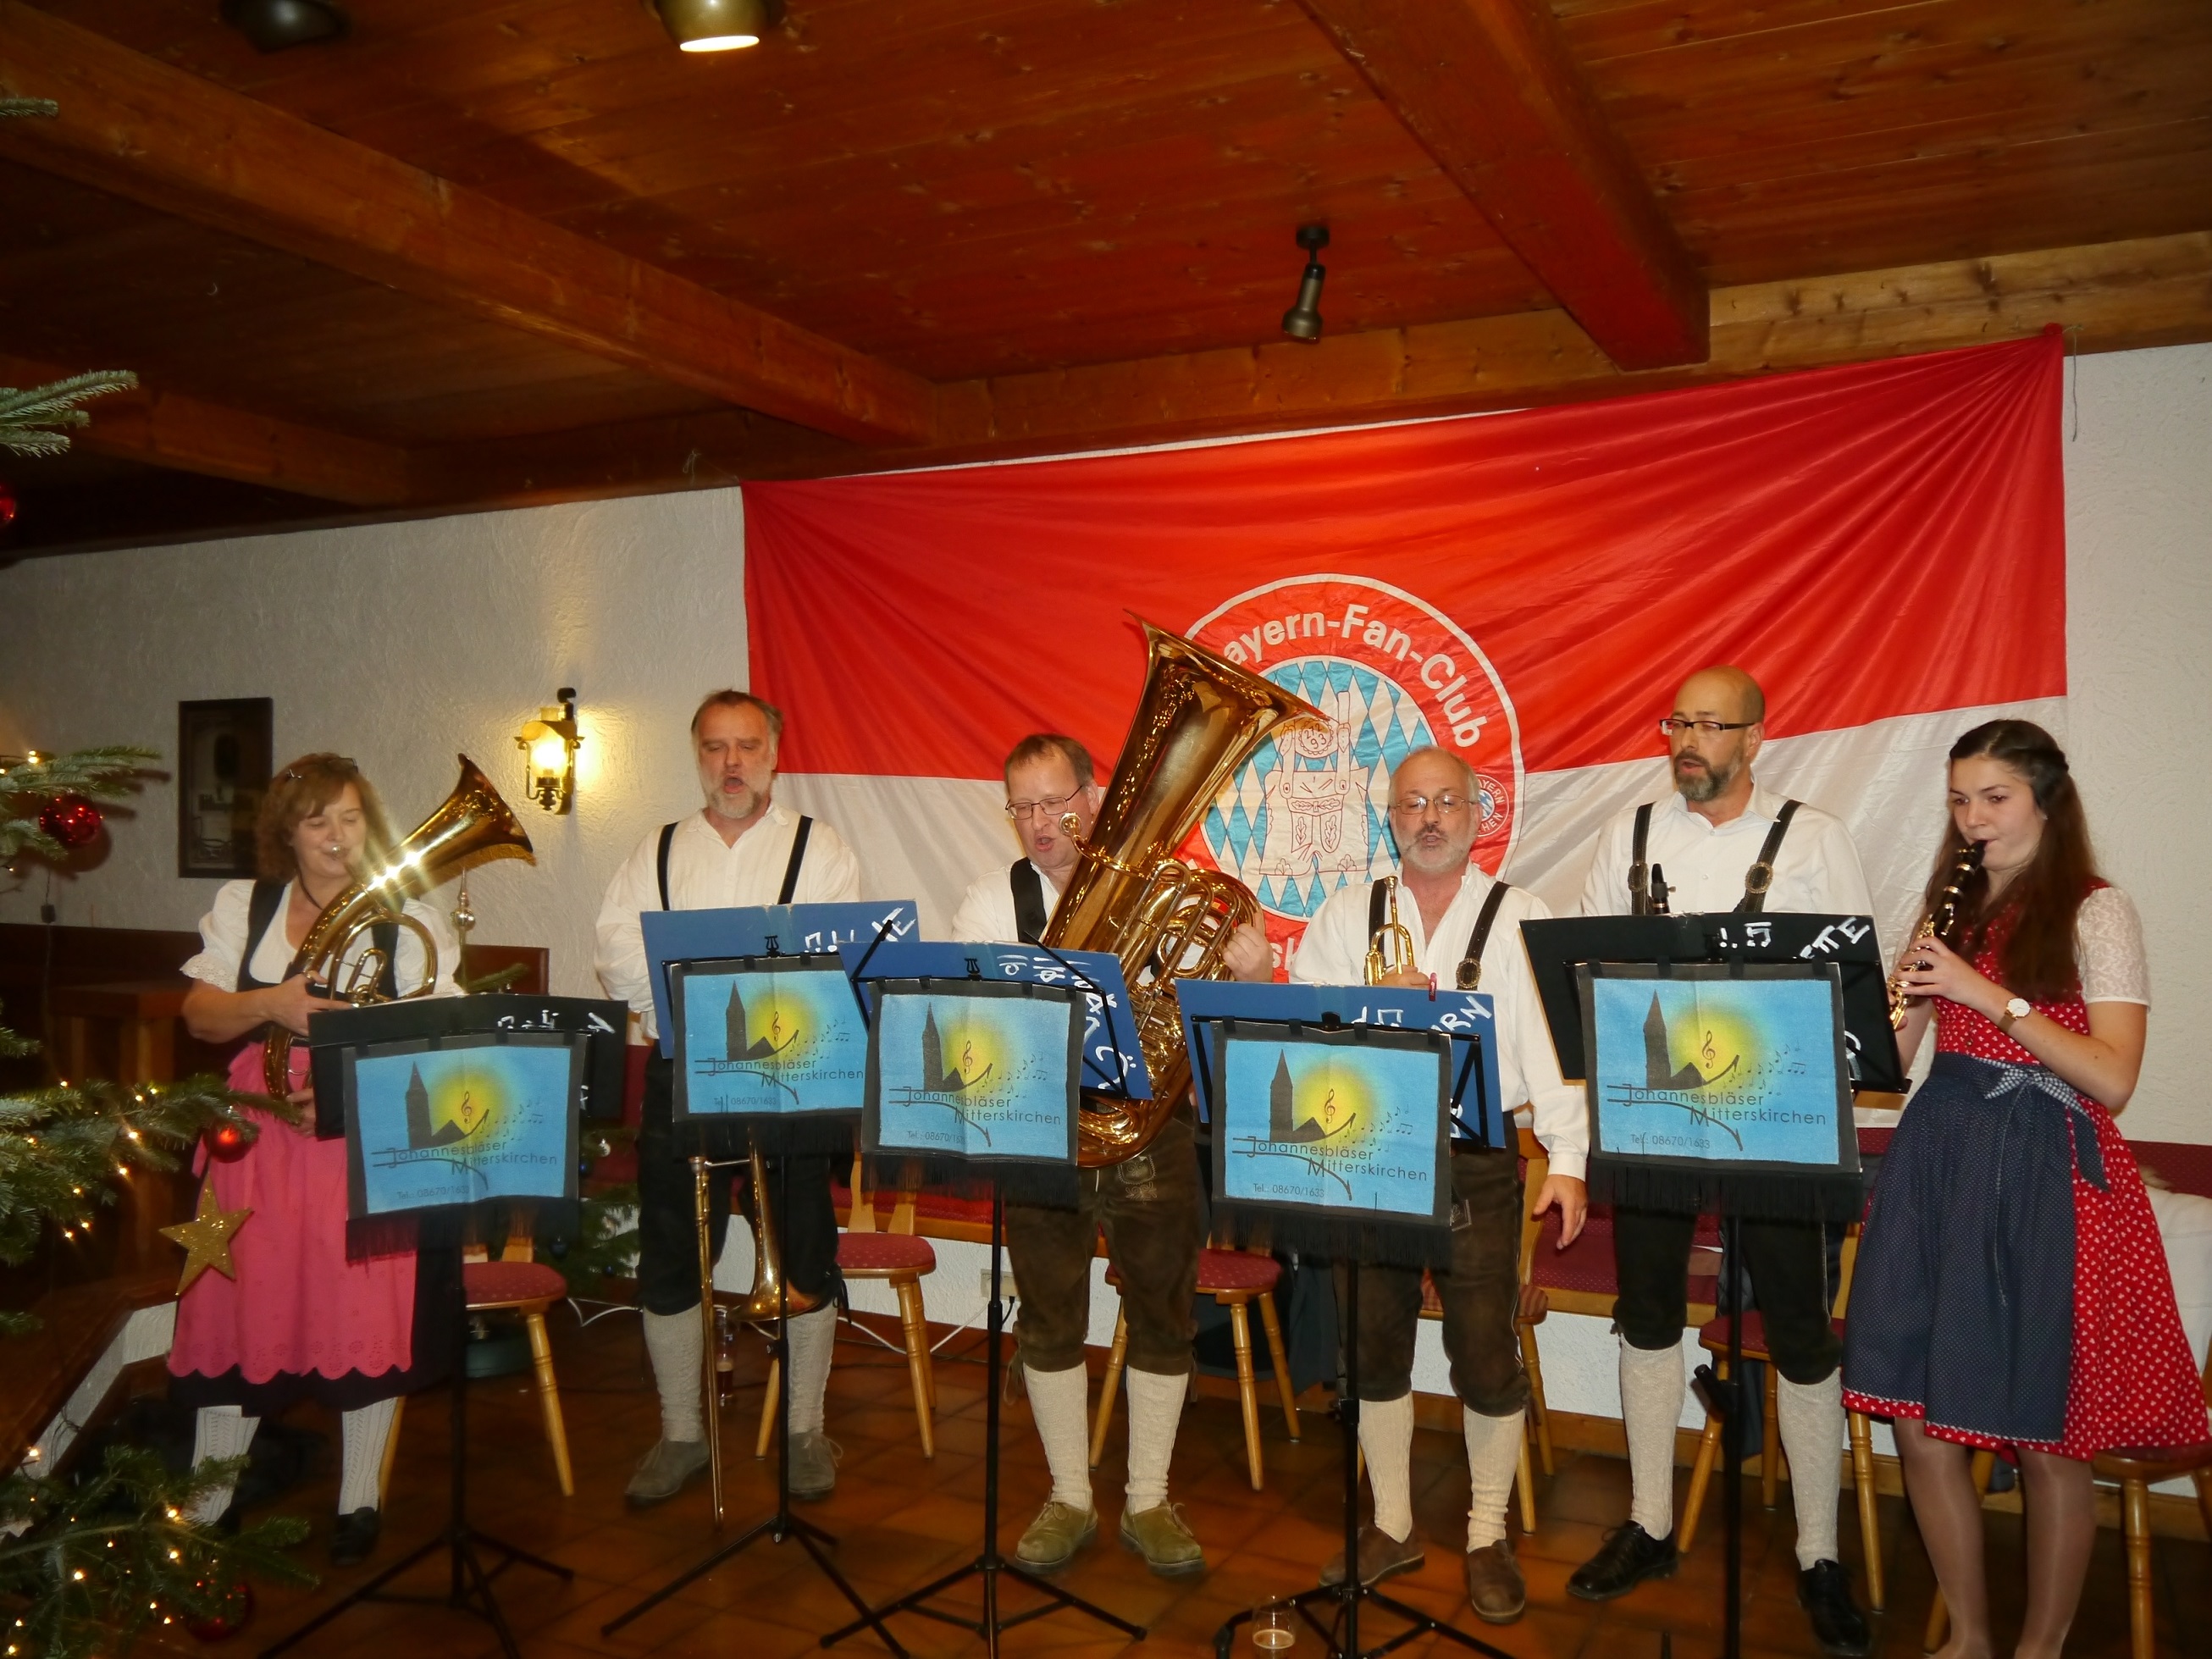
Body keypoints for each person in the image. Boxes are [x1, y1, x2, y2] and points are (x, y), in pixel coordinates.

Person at [1845, 720, 2209, 1659]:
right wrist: (1876, 1008)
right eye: (1959, 800)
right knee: (1920, 1425)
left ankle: (2038, 1649)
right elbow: (1891, 1065)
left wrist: (1985, 992)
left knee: (2050, 1436)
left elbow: (2112, 1077)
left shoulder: (2096, 910)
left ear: (2046, 800)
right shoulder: (1949, 910)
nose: (1972, 819)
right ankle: (1968, 1638)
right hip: (1940, 1159)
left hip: (2045, 1173)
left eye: (1994, 798)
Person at [1568, 666, 1873, 1657]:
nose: (1687, 741)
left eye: (1708, 725)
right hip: (1651, 1107)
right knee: (1647, 1310)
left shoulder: (1814, 837)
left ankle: (1818, 1554)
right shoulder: (1627, 834)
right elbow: (1579, 972)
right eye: (1676, 723)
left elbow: (1850, 985)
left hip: (1775, 1113)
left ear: (1753, 737)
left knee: (1797, 1326)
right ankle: (1649, 1523)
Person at [947, 733, 1271, 1578]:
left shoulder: (1159, 890)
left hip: (1150, 1132)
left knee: (1163, 1311)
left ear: (1092, 800)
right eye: (1021, 806)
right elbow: (981, 1024)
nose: (1038, 823)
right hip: (1041, 1133)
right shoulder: (990, 901)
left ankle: (1148, 1498)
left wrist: (1250, 975)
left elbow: (1208, 1019)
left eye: (1054, 803)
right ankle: (1069, 1495)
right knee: (1049, 1315)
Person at [1291, 745, 1588, 1624]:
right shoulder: (1345, 915)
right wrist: (1369, 1008)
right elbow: (1301, 1038)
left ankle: (1487, 1532)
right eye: (1411, 804)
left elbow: (1554, 1054)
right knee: (1369, 1341)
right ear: (1390, 820)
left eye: (1446, 802)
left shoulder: (1521, 914)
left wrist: (1568, 1162)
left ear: (1475, 814)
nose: (1429, 819)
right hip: (1365, 1150)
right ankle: (1390, 1523)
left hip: (1479, 1160)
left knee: (1485, 1349)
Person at [174, 753, 462, 1567]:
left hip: (360, 1126)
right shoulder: (247, 905)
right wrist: (272, 1002)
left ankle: (358, 1498)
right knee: (237, 1300)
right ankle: (209, 1498)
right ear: (287, 834)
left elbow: (436, 1038)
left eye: (351, 817)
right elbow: (199, 1015)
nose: (338, 836)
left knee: (360, 1304)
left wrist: (343, 1090)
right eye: (317, 820)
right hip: (254, 1132)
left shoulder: (409, 918)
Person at [594, 690, 862, 1508]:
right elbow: (616, 951)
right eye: (715, 747)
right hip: (684, 1069)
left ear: (773, 755)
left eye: (747, 746)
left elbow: (838, 958)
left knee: (805, 1243)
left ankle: (804, 1428)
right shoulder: (657, 848)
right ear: (698, 756)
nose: (732, 762)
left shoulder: (822, 848)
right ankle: (681, 1431)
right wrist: (693, 1014)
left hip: (794, 1074)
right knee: (673, 1250)